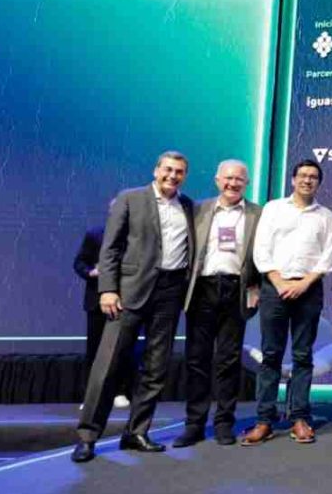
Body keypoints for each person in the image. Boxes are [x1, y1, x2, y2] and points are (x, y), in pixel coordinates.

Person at [72, 151, 196, 463]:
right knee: (108, 365)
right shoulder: (130, 198)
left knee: (156, 367)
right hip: (129, 293)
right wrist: (108, 289)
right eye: (168, 169)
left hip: (169, 294)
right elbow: (110, 248)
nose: (173, 176)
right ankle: (87, 436)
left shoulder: (187, 205)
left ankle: (137, 431)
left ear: (185, 176)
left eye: (179, 172)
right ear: (156, 170)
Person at [241, 159, 332, 446]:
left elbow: (328, 257)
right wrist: (280, 282)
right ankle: (264, 420)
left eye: (313, 177)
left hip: (309, 290)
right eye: (303, 176)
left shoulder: (325, 215)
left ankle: (299, 418)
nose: (307, 180)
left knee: (303, 356)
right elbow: (261, 250)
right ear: (293, 180)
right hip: (275, 288)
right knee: (271, 354)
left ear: (318, 183)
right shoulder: (273, 209)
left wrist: (303, 284)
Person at [173, 160, 263, 448]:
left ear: (246, 183)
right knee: (197, 359)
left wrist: (257, 287)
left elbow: (263, 254)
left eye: (239, 179)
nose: (232, 183)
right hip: (203, 289)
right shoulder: (198, 209)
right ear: (217, 180)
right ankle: (194, 424)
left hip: (237, 289)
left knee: (229, 360)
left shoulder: (258, 214)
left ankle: (224, 423)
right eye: (228, 178)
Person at [73, 220, 132, 409]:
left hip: (125, 299)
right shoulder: (95, 234)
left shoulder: (134, 235)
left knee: (122, 348)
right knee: (95, 350)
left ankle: (119, 391)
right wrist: (91, 272)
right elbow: (79, 263)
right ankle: (91, 396)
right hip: (96, 300)